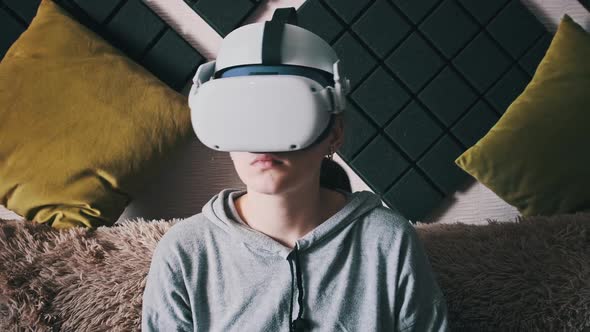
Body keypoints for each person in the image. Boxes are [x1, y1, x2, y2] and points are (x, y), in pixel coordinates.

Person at [142, 7, 449, 332]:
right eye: (240, 116)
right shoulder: (185, 253)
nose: (261, 141)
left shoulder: (386, 241)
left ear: (334, 131)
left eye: (285, 113)